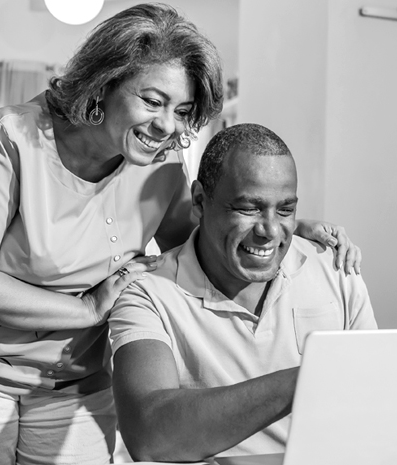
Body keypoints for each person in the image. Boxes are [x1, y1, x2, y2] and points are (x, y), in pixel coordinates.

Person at [0, 3, 360, 464]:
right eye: (152, 101)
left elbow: (198, 241)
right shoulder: (14, 140)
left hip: (76, 383)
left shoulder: (160, 163)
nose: (167, 126)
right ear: (103, 82)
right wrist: (87, 308)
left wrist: (277, 226)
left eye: (182, 110)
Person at [109, 123, 377, 462]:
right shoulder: (148, 293)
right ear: (200, 201)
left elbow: (373, 407)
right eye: (248, 209)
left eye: (285, 210)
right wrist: (312, 375)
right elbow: (149, 434)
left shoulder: (336, 268)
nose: (270, 231)